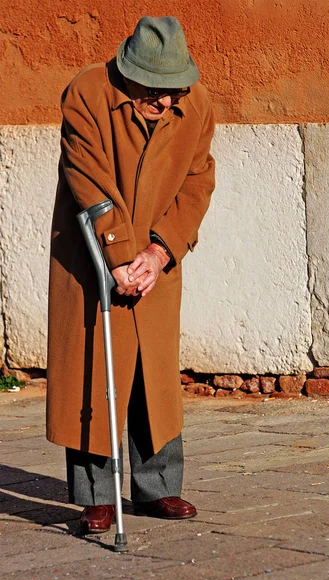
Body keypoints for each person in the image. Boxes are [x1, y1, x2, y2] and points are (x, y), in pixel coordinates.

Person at [46, 15, 215, 534]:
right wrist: (118, 251)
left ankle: (158, 486)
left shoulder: (197, 105)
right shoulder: (86, 95)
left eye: (174, 89)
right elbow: (87, 176)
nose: (166, 101)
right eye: (155, 90)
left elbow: (197, 181)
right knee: (95, 370)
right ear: (128, 73)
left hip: (157, 252)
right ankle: (96, 495)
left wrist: (161, 251)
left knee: (155, 373)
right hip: (92, 251)